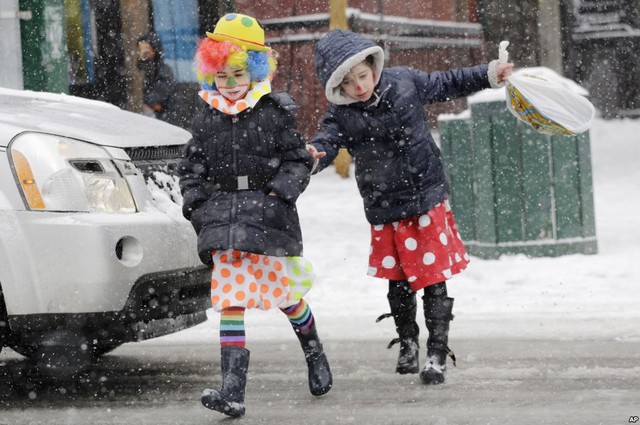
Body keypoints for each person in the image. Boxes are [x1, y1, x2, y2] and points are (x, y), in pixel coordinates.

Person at [307, 29, 513, 385]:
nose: (360, 86)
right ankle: (407, 342)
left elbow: (447, 81)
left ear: (373, 66)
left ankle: (436, 353)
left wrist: (488, 74)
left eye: (364, 75)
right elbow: (326, 142)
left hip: (425, 198)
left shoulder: (405, 81)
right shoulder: (340, 115)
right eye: (350, 82)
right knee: (399, 281)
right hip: (385, 206)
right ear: (337, 85)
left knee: (433, 278)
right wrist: (313, 155)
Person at [178, 13, 332, 417]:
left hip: (266, 219)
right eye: (222, 75)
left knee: (286, 296)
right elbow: (190, 170)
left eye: (238, 74)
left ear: (255, 71)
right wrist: (198, 206)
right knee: (230, 301)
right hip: (223, 223)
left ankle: (314, 352)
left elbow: (297, 160)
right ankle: (233, 390)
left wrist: (280, 193)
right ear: (211, 74)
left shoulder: (273, 112)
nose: (230, 85)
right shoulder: (205, 118)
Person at [136, 32, 180, 126]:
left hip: (166, 120)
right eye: (141, 49)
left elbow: (157, 98)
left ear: (155, 50)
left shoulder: (163, 71)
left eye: (146, 49)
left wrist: (152, 103)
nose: (143, 53)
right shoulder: (147, 71)